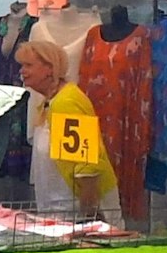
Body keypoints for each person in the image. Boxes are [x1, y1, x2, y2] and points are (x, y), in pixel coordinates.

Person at [14, 39, 121, 225]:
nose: (22, 71)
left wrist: (90, 215)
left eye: (28, 65)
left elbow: (87, 165)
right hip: (59, 213)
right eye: (22, 65)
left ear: (50, 68)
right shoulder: (49, 102)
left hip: (81, 215)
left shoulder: (67, 102)